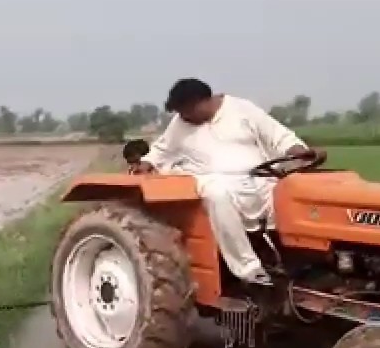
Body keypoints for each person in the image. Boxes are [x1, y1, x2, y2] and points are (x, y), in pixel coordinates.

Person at [132, 78, 326, 286]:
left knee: (290, 192)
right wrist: (146, 163)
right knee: (217, 193)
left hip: (259, 177)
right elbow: (161, 149)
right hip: (212, 179)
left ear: (202, 101)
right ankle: (249, 270)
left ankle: (304, 261)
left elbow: (278, 136)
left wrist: (300, 152)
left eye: (185, 111)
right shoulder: (180, 124)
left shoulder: (242, 109)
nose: (182, 117)